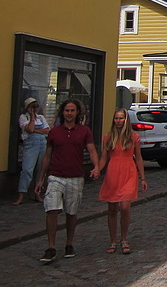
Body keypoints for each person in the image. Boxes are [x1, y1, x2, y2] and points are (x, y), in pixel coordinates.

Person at [35, 99, 99, 263]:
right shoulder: (54, 132)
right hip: (56, 176)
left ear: (77, 113)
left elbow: (91, 150)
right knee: (52, 210)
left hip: (75, 177)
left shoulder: (84, 131)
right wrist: (41, 178)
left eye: (72, 111)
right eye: (66, 111)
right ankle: (51, 247)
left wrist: (97, 166)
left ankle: (69, 243)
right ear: (62, 113)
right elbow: (47, 156)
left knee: (71, 212)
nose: (69, 113)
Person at [93, 109, 147, 255]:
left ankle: (124, 238)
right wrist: (98, 168)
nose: (118, 121)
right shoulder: (108, 137)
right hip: (113, 173)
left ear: (126, 120)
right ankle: (113, 241)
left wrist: (142, 178)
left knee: (124, 207)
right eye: (116, 118)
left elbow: (139, 158)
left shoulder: (133, 137)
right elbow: (104, 156)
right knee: (112, 209)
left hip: (129, 172)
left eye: (121, 118)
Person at [14, 97, 50, 205]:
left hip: (42, 144)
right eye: (32, 107)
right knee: (27, 170)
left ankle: (37, 194)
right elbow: (29, 129)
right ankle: (21, 195)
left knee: (40, 170)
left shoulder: (42, 118)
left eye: (36, 107)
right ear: (28, 108)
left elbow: (47, 131)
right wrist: (32, 118)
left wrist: (35, 130)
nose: (35, 109)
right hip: (30, 145)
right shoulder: (23, 117)